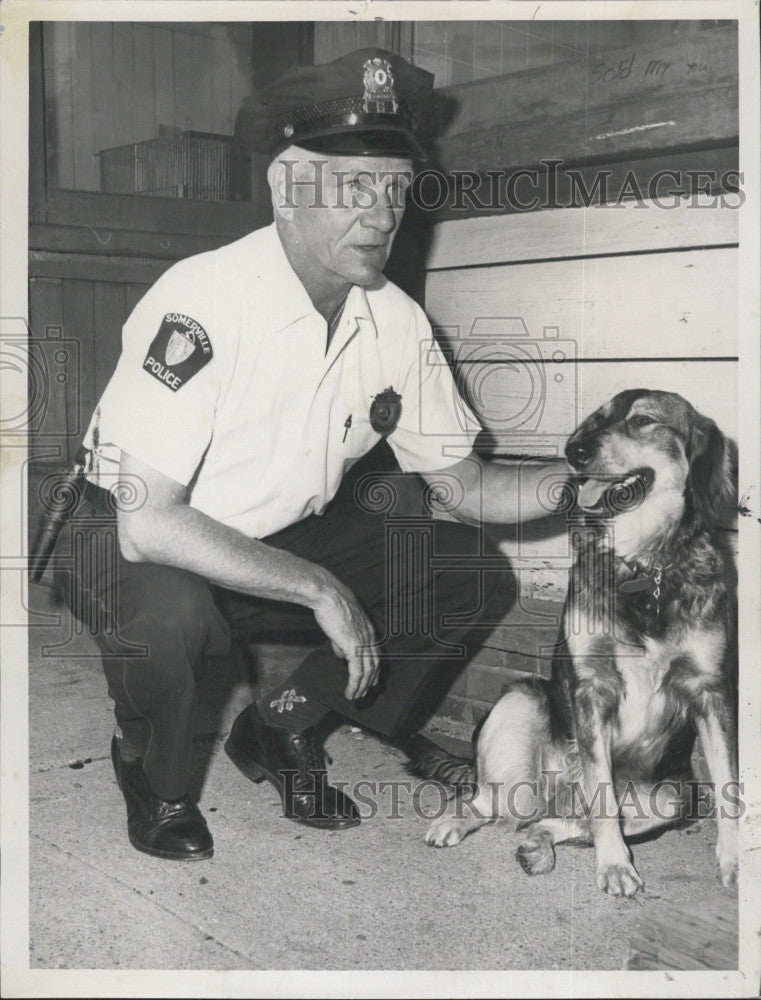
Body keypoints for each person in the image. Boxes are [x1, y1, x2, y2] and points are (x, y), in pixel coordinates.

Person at [60, 48, 566, 861]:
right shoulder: (204, 300)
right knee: (175, 619)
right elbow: (147, 523)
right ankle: (147, 771)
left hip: (268, 535)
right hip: (128, 534)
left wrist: (587, 482)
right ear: (287, 188)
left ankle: (279, 729)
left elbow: (465, 486)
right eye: (354, 186)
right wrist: (318, 588)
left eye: (397, 188)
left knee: (465, 566)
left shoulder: (394, 321)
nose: (382, 212)